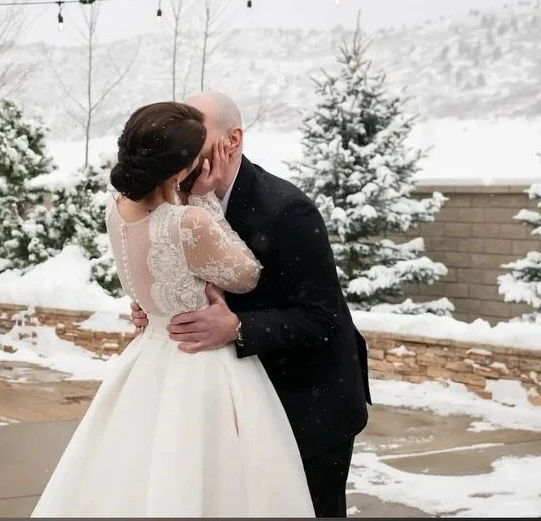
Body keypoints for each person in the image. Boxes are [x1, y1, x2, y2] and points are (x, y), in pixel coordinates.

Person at [31, 101, 315, 517]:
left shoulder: (116, 210)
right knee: (208, 476)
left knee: (135, 473)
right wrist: (202, 201)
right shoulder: (189, 222)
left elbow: (151, 275)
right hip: (199, 365)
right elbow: (246, 275)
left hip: (148, 357)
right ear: (180, 170)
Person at [130, 92, 372, 518]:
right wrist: (156, 307)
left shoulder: (288, 210)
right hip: (236, 407)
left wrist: (237, 327)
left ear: (233, 139)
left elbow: (323, 319)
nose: (184, 147)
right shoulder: (176, 199)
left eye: (196, 135)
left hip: (308, 404)